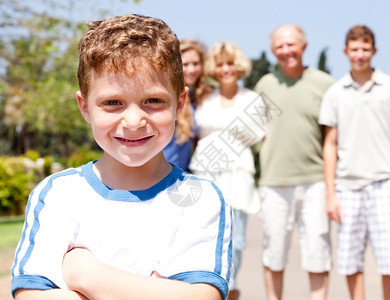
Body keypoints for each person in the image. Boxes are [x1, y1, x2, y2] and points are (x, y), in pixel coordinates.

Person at [11, 14, 232, 300]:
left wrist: (86, 275)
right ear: (85, 107)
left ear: (179, 104)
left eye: (153, 101)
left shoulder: (200, 198)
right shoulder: (57, 195)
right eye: (112, 102)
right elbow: (31, 295)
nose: (133, 121)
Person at [319, 24, 390, 300]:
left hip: (387, 184)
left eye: (365, 49)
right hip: (347, 187)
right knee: (350, 261)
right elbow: (330, 145)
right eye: (355, 49)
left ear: (374, 50)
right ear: (345, 51)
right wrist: (330, 195)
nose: (360, 54)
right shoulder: (335, 93)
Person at [254, 24, 334, 300]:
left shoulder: (325, 84)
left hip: (316, 183)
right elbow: (255, 131)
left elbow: (334, 138)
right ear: (273, 50)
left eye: (291, 45)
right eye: (279, 46)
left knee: (317, 253)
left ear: (304, 46)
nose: (285, 51)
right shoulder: (265, 84)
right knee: (273, 252)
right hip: (274, 182)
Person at [189, 42, 267, 300]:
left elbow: (260, 135)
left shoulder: (252, 99)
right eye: (220, 64)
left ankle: (229, 289)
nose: (225, 69)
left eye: (230, 63)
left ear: (239, 65)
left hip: (239, 172)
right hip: (205, 171)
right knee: (203, 234)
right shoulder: (205, 98)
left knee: (237, 238)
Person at [163, 39, 212, 171]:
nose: (191, 70)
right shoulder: (166, 97)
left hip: (180, 175)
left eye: (196, 64)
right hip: (156, 174)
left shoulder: (194, 99)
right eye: (185, 64)